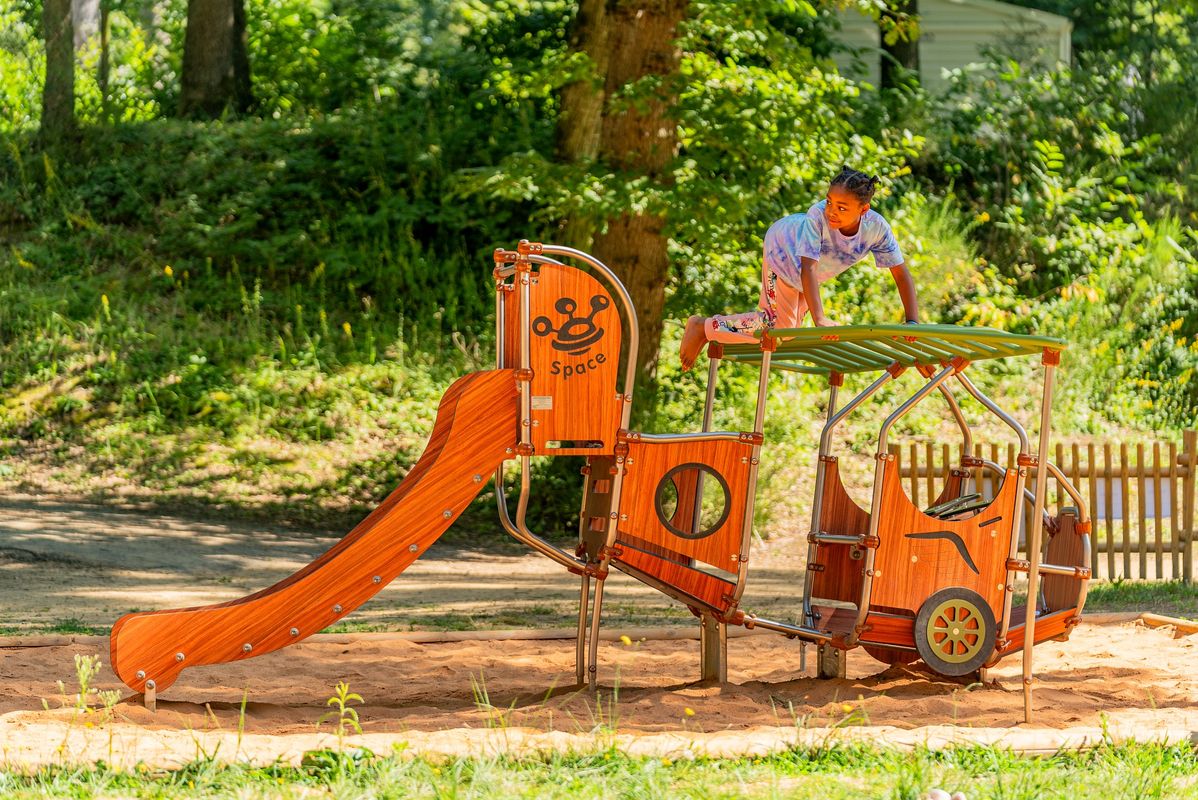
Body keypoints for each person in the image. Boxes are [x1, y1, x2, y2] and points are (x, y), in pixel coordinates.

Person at [679, 167, 920, 370]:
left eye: (842, 207)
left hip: (808, 272)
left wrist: (912, 322)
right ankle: (705, 326)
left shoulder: (876, 229)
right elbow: (808, 268)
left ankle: (711, 328)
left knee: (789, 333)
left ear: (863, 210)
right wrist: (820, 318)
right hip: (783, 250)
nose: (832, 211)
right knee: (777, 326)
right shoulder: (817, 216)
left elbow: (900, 273)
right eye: (829, 202)